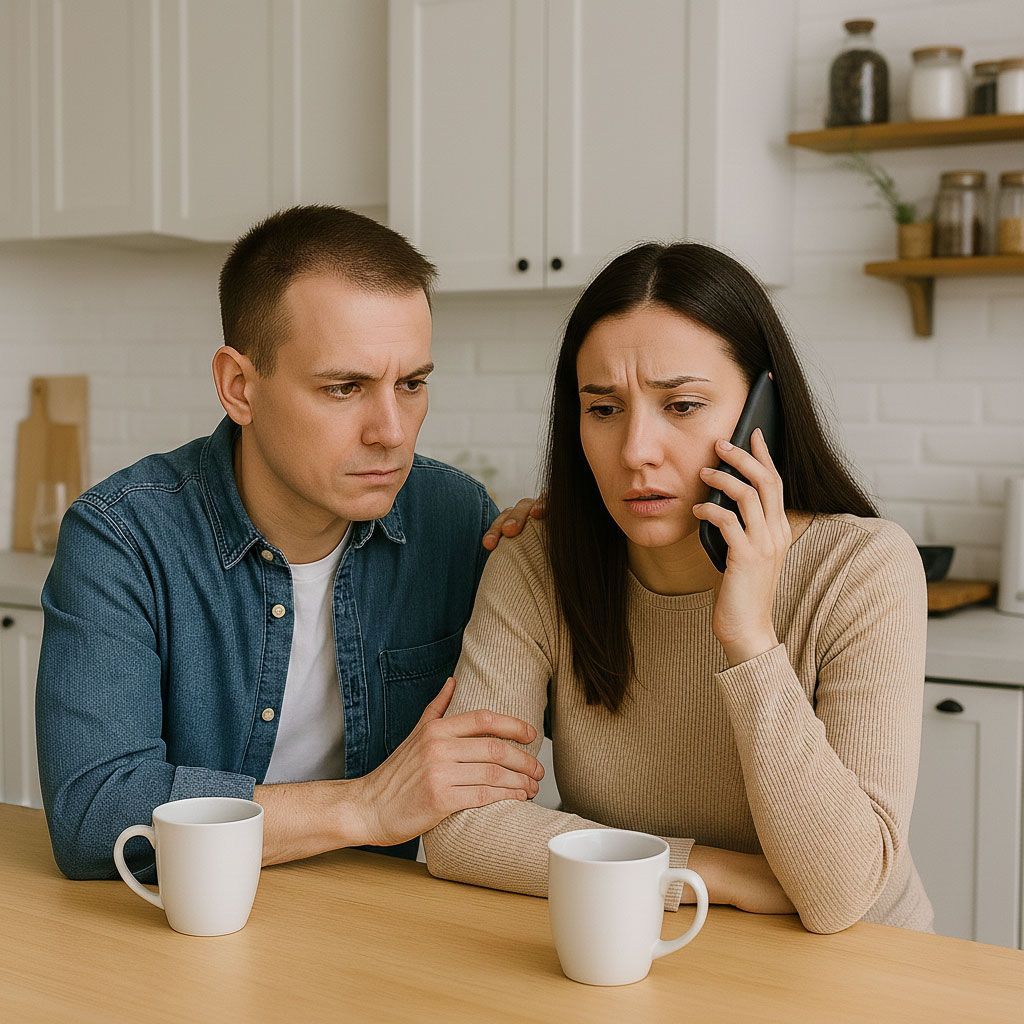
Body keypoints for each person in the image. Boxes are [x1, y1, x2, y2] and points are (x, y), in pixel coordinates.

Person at [423, 241, 934, 935]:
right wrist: (712, 874)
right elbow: (460, 829)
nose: (636, 450)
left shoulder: (862, 568)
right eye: (603, 410)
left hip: (857, 975)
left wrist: (749, 638)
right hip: (647, 944)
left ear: (764, 413)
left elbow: (842, 893)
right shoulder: (537, 560)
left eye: (683, 405)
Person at [36, 204, 544, 882]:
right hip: (180, 932)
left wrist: (582, 557)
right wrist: (367, 807)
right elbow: (96, 815)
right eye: (344, 388)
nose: (391, 431)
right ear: (239, 386)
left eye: (413, 384)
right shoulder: (123, 537)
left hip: (374, 934)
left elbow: (579, 729)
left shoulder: (454, 519)